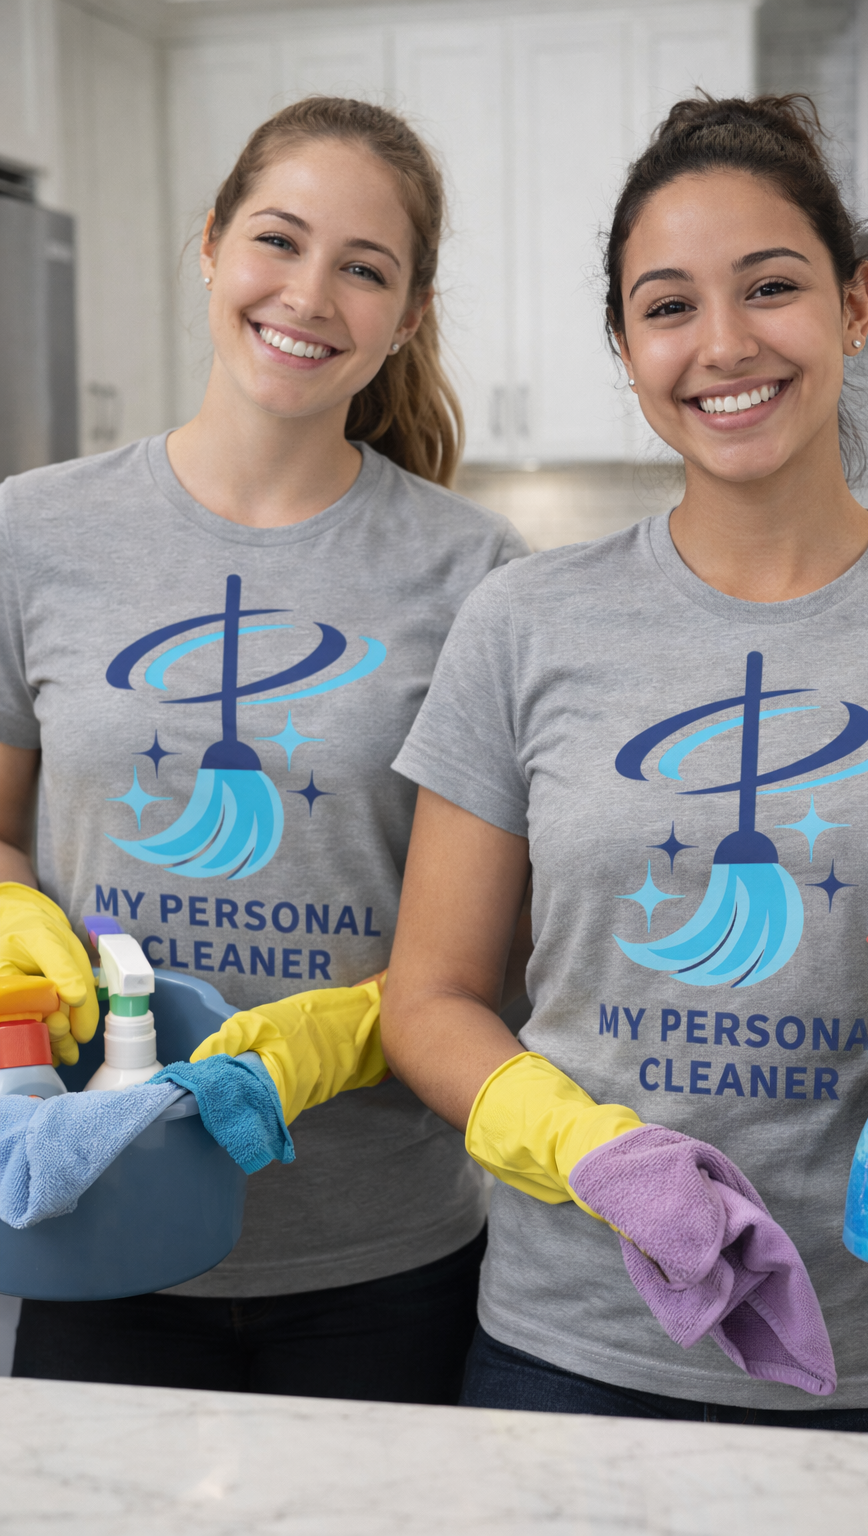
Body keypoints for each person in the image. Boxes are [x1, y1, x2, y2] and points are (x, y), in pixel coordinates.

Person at [380, 94, 868, 1437]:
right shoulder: (525, 623)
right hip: (584, 1339)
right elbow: (429, 997)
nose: (724, 345)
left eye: (771, 288)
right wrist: (579, 1146)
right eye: (667, 307)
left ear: (854, 304)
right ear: (625, 349)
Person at [0, 96, 529, 1400]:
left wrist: (365, 1025)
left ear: (408, 315)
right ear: (211, 247)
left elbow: (498, 935)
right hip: (94, 1208)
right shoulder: (33, 531)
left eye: (364, 267)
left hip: (378, 1246)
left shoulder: (480, 579)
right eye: (278, 242)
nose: (309, 293)